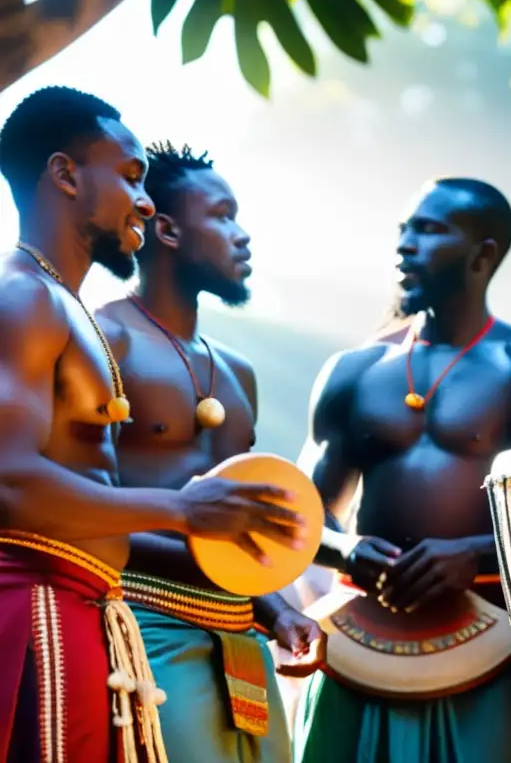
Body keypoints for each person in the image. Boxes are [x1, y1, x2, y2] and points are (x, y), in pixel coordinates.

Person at [0, 87, 304, 762]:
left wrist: (277, 604)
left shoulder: (64, 307)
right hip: (41, 605)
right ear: (66, 175)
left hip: (93, 611)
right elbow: (9, 483)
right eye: (132, 179)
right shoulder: (24, 296)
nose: (144, 201)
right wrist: (183, 510)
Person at [291, 177, 511, 762]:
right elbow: (301, 512)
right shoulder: (354, 369)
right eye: (403, 230)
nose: (404, 245)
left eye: (429, 230)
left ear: (484, 255)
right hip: (357, 638)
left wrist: (475, 554)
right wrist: (345, 550)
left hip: (492, 645)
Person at [94, 141, 326, 762]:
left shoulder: (238, 372)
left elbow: (241, 527)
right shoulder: (103, 340)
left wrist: (277, 612)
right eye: (223, 216)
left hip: (243, 642)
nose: (242, 236)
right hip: (145, 627)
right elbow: (76, 505)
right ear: (165, 229)